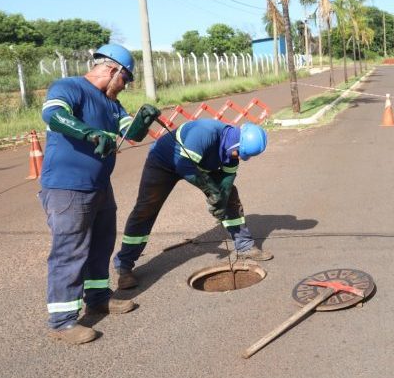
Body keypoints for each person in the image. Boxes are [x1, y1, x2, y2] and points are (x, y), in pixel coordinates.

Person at [39, 43, 161, 345]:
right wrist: (89, 132)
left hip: (100, 186)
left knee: (101, 244)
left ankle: (97, 298)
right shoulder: (69, 87)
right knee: (70, 251)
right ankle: (63, 321)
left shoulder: (112, 104)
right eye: (125, 79)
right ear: (112, 69)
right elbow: (53, 115)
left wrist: (143, 120)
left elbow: (130, 134)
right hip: (68, 185)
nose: (125, 85)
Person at [112, 118, 269, 290]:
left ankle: (245, 245)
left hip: (198, 165)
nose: (239, 157)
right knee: (146, 209)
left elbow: (226, 181)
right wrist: (211, 191)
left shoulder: (232, 149)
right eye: (239, 153)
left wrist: (221, 202)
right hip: (164, 162)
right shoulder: (205, 132)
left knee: (230, 196)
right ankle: (124, 265)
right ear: (236, 143)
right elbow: (184, 166)